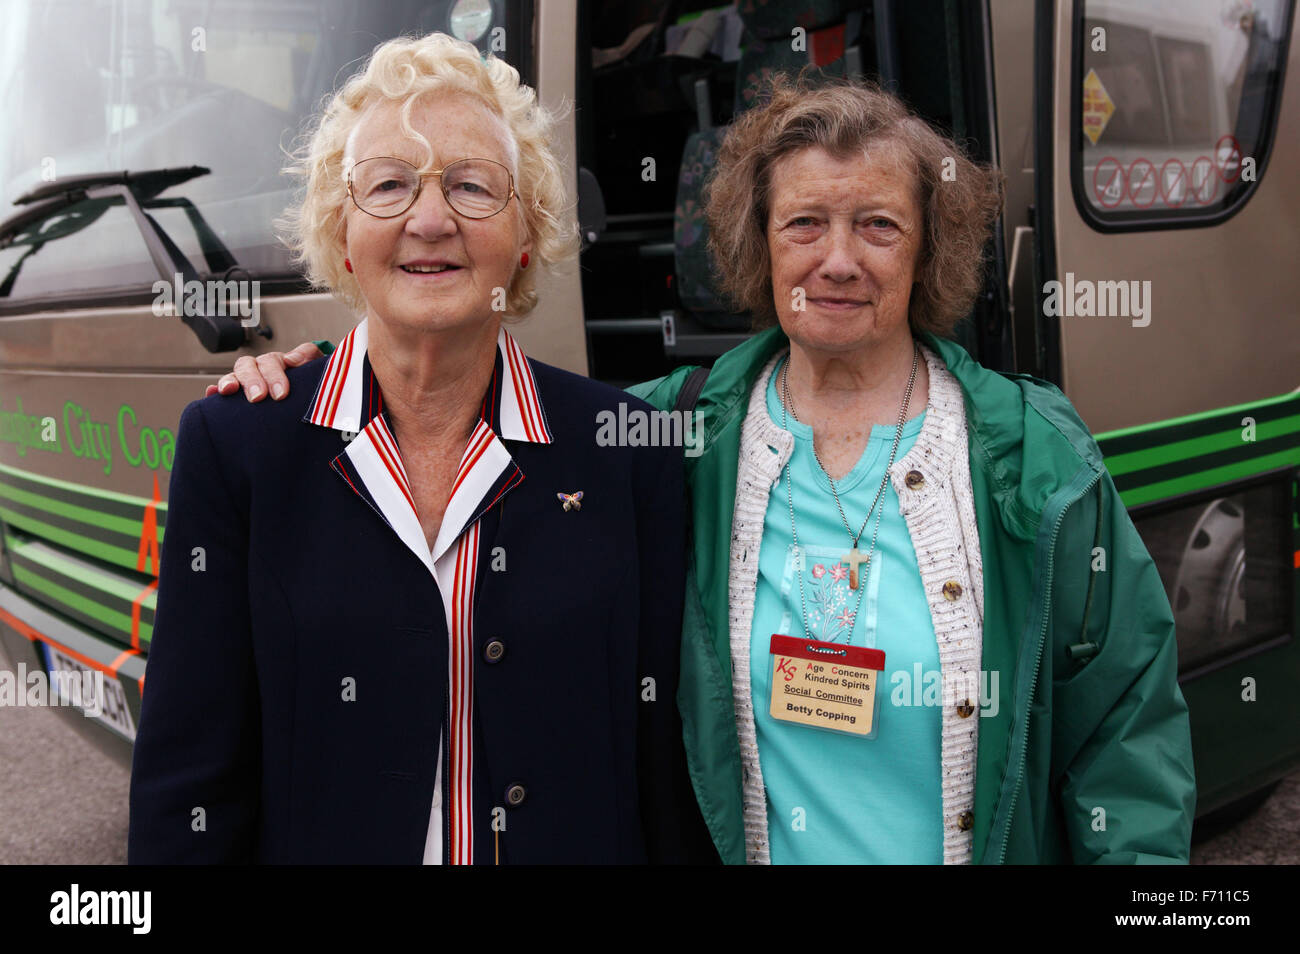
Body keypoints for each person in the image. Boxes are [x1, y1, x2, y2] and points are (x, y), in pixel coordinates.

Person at [214, 72, 1197, 864]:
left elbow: (1125, 729)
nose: (838, 260)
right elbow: (463, 433)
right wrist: (314, 387)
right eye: (803, 224)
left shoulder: (1032, 457)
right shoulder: (659, 439)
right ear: (756, 245)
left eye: (879, 226)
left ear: (927, 247)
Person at [128, 32, 710, 865]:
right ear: (343, 231)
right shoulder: (240, 445)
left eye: (472, 186)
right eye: (390, 185)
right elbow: (189, 776)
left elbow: (662, 766)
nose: (429, 220)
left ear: (525, 232)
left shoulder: (624, 452)